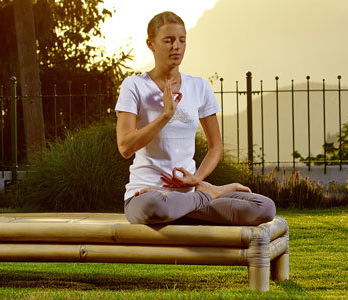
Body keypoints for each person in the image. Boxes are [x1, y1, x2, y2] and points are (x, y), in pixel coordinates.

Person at [115, 11, 275, 225]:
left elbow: (215, 146)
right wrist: (166, 115)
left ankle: (191, 202)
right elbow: (125, 147)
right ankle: (208, 196)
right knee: (155, 207)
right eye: (168, 40)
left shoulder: (198, 87)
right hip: (146, 195)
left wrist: (197, 180)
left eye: (182, 40)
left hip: (186, 193)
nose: (176, 46)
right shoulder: (134, 86)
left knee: (264, 207)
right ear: (151, 44)